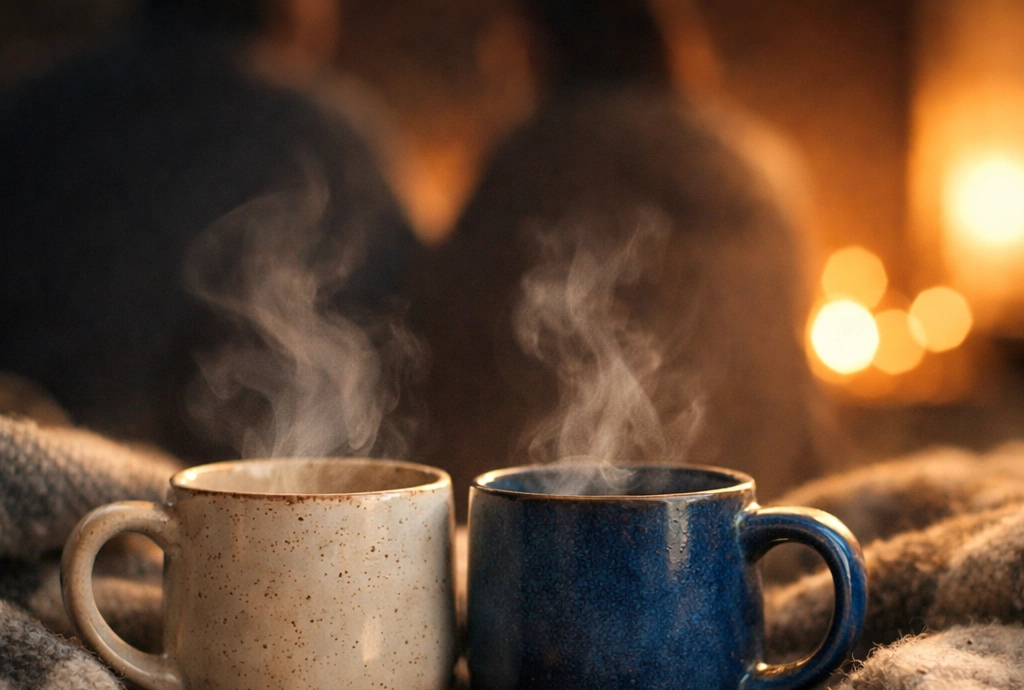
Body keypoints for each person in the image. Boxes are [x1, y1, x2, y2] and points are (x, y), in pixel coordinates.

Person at [408, 0, 829, 517]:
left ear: (542, 50)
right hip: (762, 511)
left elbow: (441, 354)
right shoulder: (754, 164)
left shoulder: (526, 166)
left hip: (543, 527)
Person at [0, 0, 416, 464]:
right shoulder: (322, 133)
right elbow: (403, 331)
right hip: (225, 512)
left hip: (36, 473)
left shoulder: (31, 112)